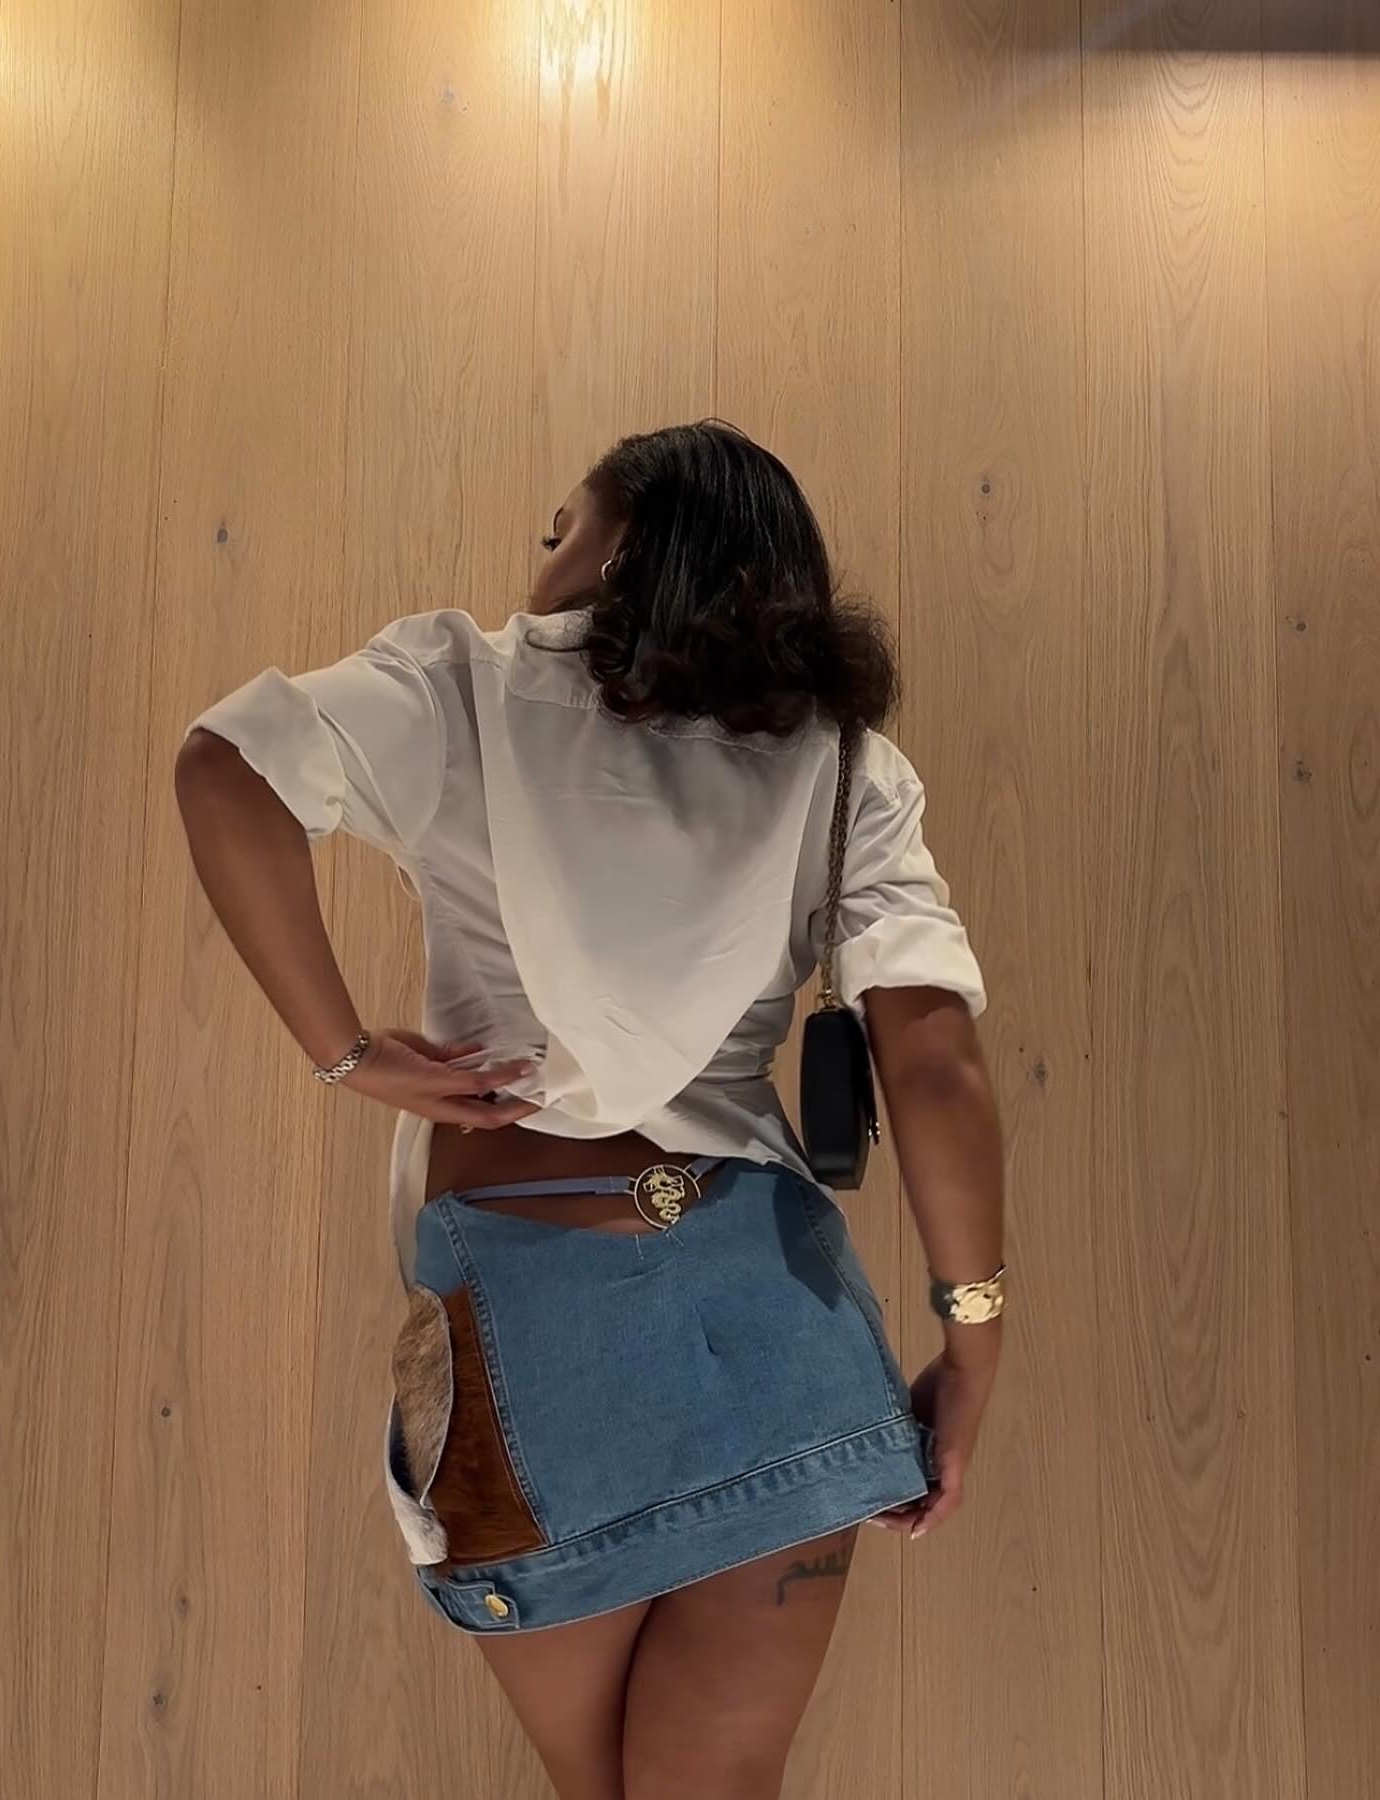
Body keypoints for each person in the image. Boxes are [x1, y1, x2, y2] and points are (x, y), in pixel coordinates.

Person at [173, 419, 1006, 1800]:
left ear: (623, 550)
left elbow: (226, 765)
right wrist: (973, 1346)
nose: (541, 561)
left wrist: (345, 1052)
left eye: (560, 529)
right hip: (777, 1310)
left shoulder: (461, 688)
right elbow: (932, 1062)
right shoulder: (849, 765)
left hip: (528, 1317)